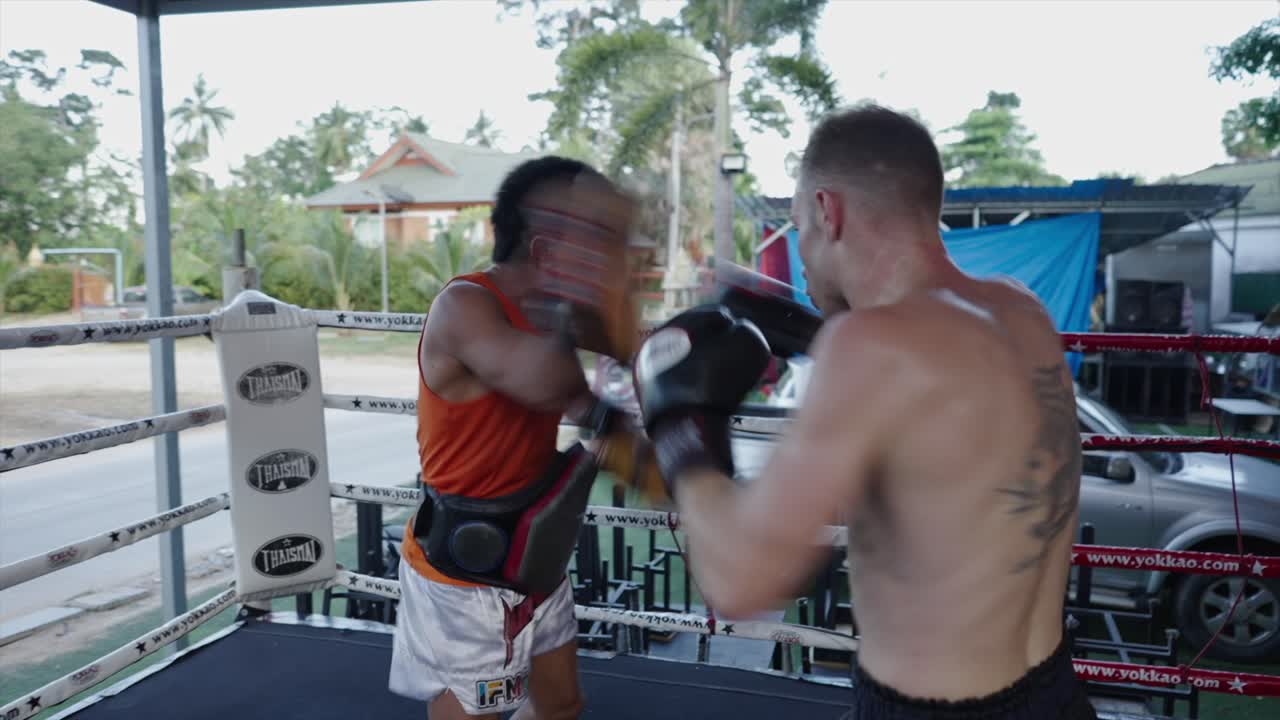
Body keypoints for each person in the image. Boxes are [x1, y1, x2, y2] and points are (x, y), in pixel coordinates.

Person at [632, 105, 1097, 718]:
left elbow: (739, 580)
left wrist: (679, 428)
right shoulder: (1021, 310)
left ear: (827, 211)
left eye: (799, 225)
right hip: (1053, 693)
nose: (800, 248)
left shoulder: (872, 348)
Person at [389, 156, 651, 719]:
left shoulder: (561, 313)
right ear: (543, 253)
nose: (602, 256)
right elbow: (545, 381)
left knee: (559, 704)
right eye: (589, 241)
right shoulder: (466, 306)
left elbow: (642, 352)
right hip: (465, 577)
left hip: (534, 557)